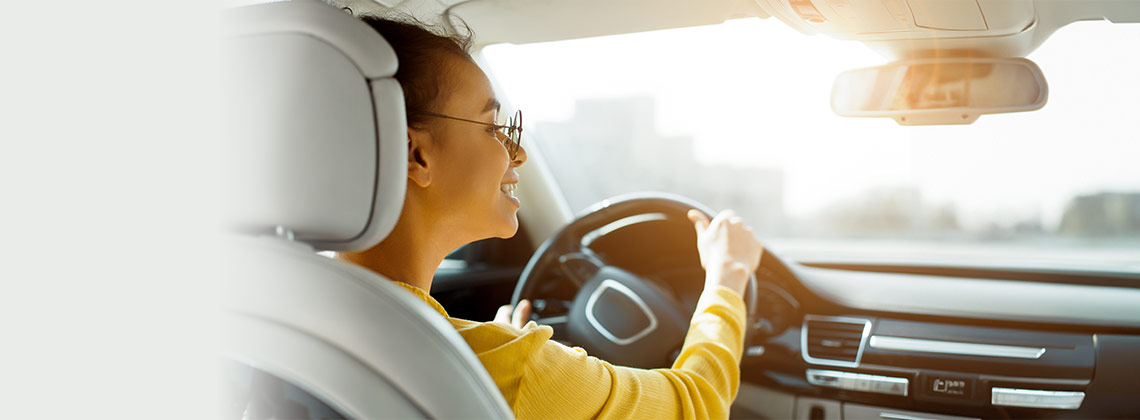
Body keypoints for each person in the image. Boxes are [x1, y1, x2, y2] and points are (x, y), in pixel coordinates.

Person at [338, 15, 765, 420]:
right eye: (492, 128)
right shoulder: (504, 367)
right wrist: (728, 277)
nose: (518, 153)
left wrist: (490, 348)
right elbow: (697, 403)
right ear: (416, 154)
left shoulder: (302, 307)